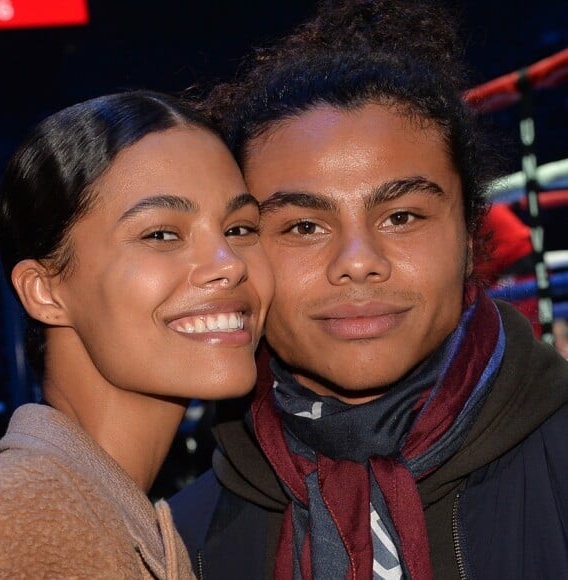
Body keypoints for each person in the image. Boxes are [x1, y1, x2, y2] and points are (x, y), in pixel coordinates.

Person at [169, 1, 568, 579]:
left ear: (469, 237)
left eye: (402, 217)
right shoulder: (177, 546)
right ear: (241, 253)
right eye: (304, 227)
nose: (358, 263)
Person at [0, 90, 273, 578]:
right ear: (44, 292)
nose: (229, 264)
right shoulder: (26, 517)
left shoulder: (109, 513)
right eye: (161, 234)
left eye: (240, 228)